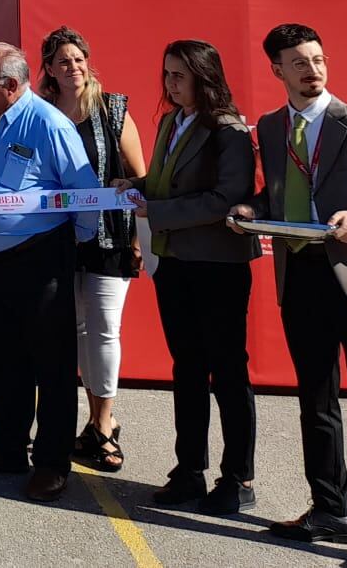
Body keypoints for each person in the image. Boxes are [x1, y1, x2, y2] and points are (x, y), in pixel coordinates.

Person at [231, 24, 347, 568]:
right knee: (316, 401)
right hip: (301, 277)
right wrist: (252, 208)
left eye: (317, 60)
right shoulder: (270, 127)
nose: (311, 70)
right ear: (277, 71)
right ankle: (331, 509)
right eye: (297, 62)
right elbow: (284, 189)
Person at [116, 40, 258, 515]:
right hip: (175, 261)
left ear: (203, 76)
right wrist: (134, 187)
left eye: (179, 75)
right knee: (188, 368)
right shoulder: (172, 121)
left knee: (228, 371)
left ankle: (237, 477)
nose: (170, 83)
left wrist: (154, 210)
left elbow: (226, 199)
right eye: (167, 74)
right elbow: (165, 183)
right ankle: (188, 471)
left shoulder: (228, 131)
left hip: (218, 266)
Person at [0, 41, 102, 503]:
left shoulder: (50, 124)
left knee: (51, 364)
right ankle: (7, 446)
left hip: (40, 258)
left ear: (11, 85)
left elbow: (85, 196)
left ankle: (53, 463)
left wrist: (65, 246)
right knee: (3, 357)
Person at [40, 26, 147, 473]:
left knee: (105, 330)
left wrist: (140, 238)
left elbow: (141, 179)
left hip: (110, 240)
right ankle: (93, 420)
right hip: (60, 240)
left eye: (79, 59)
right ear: (48, 69)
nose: (74, 67)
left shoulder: (113, 110)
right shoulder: (41, 114)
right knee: (79, 332)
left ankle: (103, 425)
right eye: (64, 61)